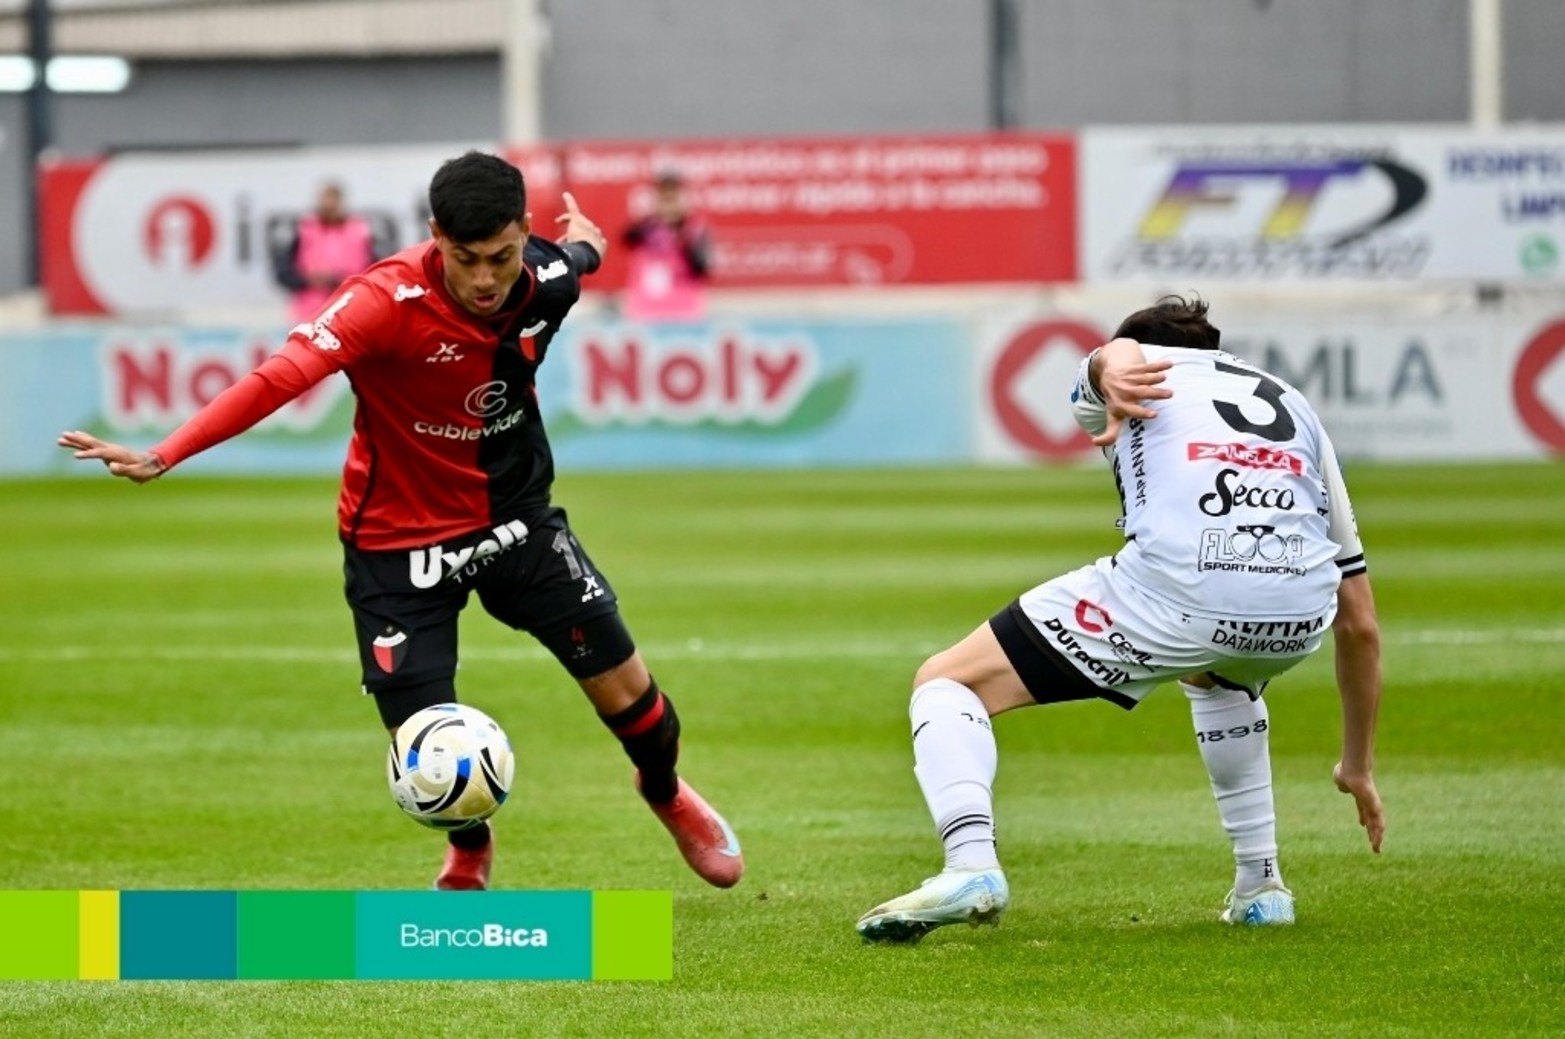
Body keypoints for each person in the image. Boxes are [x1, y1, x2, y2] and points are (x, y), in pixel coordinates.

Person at [60, 151, 744, 893]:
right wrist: (168, 452)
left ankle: (665, 790)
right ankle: (469, 844)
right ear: (434, 236)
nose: (485, 279)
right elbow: (279, 377)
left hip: (514, 519)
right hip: (396, 537)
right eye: (464, 259)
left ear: (523, 234)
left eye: (502, 257)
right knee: (423, 739)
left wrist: (585, 242)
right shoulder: (380, 302)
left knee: (630, 695)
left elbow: (581, 253)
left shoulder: (549, 280)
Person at [856, 295, 1383, 942]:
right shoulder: (1293, 403)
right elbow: (1358, 623)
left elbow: (1108, 362)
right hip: (1298, 611)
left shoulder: (1125, 373)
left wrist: (1112, 360)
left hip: (1178, 590)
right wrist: (1355, 764)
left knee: (946, 682)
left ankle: (970, 865)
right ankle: (1261, 886)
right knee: (1217, 675)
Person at [272, 181, 384, 324]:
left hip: (351, 311)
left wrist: (344, 281)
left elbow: (375, 272)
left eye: (333, 200)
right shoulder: (304, 230)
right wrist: (308, 280)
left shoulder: (360, 231)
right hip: (309, 315)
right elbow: (283, 272)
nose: (329, 206)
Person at [620, 169, 712, 322]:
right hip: (646, 309)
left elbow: (702, 266)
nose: (668, 201)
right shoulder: (646, 225)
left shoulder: (694, 227)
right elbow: (626, 238)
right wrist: (655, 218)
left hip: (684, 310)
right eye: (664, 195)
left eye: (673, 196)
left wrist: (681, 229)